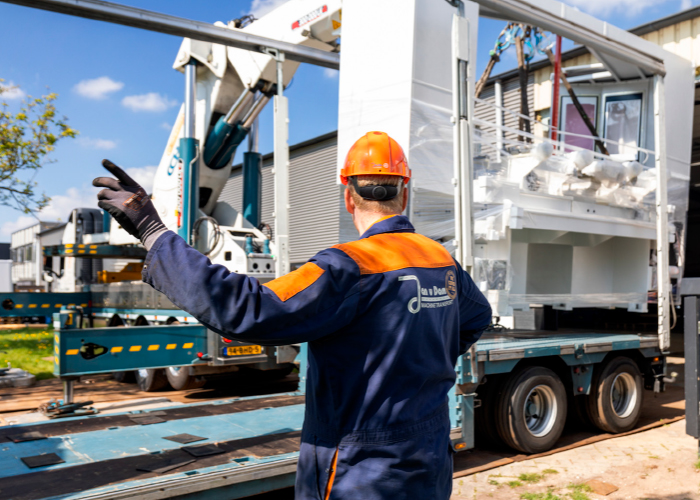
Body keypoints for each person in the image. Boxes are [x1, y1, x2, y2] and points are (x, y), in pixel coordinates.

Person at [93, 130, 492, 500]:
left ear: (348, 196)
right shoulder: (441, 261)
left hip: (362, 470)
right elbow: (477, 318)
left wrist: (154, 232)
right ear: (404, 193)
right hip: (428, 458)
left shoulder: (347, 267)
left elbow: (250, 308)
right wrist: (418, 362)